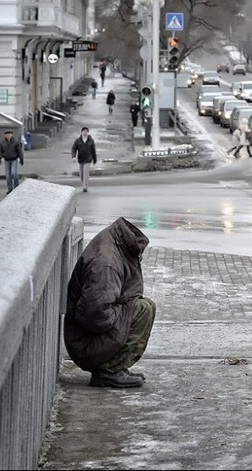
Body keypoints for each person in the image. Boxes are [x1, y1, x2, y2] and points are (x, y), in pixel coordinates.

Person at [64, 217, 156, 388]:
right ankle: (109, 370)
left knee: (142, 307)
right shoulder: (107, 264)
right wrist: (123, 315)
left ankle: (114, 367)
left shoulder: (115, 242)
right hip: (86, 343)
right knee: (143, 310)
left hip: (85, 337)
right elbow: (94, 315)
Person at [71, 127, 97, 193]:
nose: (85, 132)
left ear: (88, 132)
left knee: (85, 172)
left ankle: (85, 187)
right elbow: (73, 148)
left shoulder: (91, 140)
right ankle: (84, 183)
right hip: (81, 159)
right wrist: (73, 156)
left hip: (88, 159)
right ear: (81, 132)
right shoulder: (78, 140)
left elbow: (93, 150)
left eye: (86, 131)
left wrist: (94, 159)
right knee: (81, 174)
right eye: (84, 131)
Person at [0, 130, 23, 194]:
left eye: (9, 134)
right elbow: (0, 151)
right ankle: (10, 188)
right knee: (8, 175)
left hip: (14, 159)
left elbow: (20, 151)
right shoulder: (2, 142)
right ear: (5, 135)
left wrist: (21, 160)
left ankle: (16, 187)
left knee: (13, 173)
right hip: (6, 160)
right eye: (7, 134)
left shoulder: (16, 142)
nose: (8, 135)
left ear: (12, 135)